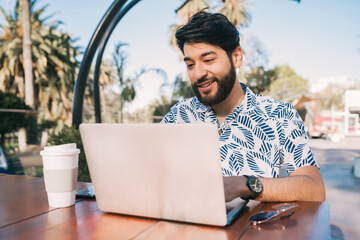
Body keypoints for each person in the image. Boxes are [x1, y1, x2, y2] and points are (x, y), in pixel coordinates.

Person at [161, 11, 325, 202]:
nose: (198, 74)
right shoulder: (178, 116)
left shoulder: (279, 115)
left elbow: (315, 189)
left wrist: (245, 185)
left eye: (208, 60)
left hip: (251, 231)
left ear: (237, 57)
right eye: (190, 64)